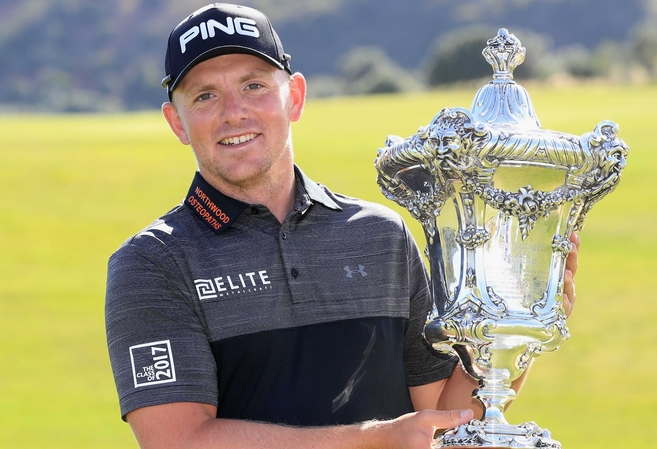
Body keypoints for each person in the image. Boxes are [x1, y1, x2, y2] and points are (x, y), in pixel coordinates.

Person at [104, 3, 580, 448]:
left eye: (254, 86)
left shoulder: (382, 237)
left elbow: (442, 420)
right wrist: (372, 440)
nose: (234, 112)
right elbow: (179, 440)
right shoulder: (152, 263)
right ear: (177, 122)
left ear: (294, 97)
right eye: (205, 96)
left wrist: (515, 319)